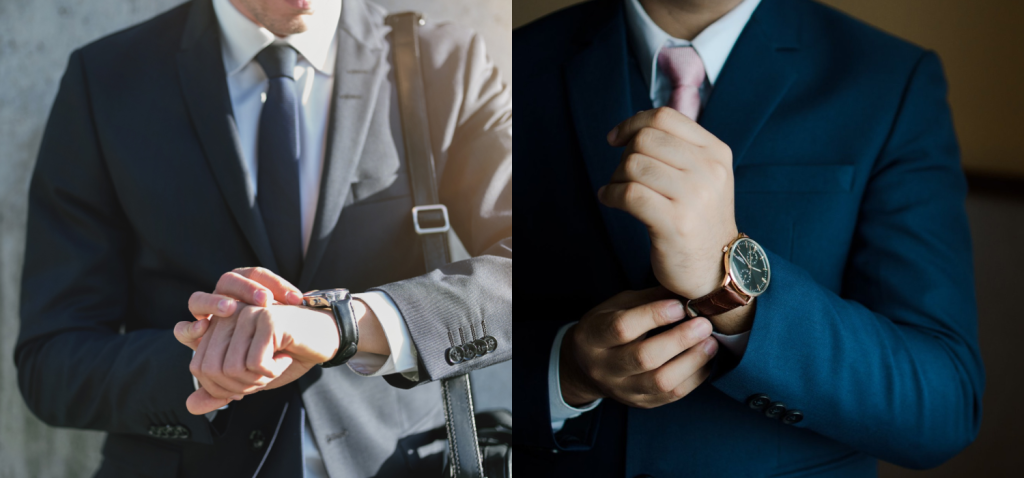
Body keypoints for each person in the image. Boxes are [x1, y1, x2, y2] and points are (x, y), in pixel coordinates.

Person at [15, 0, 511, 476]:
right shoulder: (105, 78)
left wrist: (346, 326)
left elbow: (531, 266)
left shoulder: (447, 64)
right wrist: (204, 364)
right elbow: (52, 360)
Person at [516, 0, 983, 476]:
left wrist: (732, 291)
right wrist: (565, 372)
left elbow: (943, 407)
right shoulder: (512, 64)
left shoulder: (890, 80)